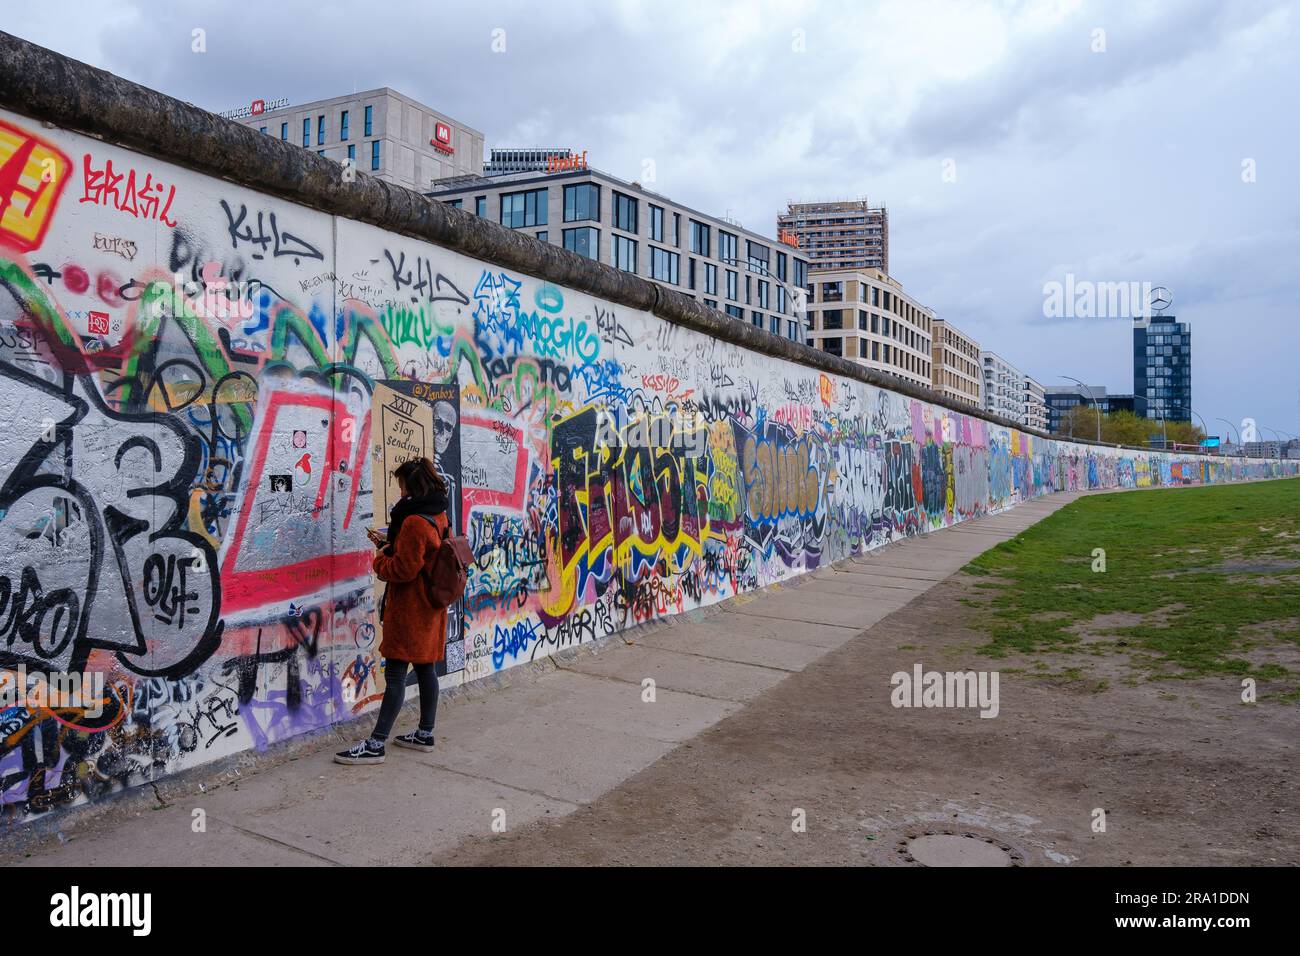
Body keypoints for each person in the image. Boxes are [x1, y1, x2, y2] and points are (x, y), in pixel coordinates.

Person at [335, 457, 450, 765]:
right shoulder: (437, 513)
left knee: (397, 672)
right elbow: (422, 554)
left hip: (411, 609)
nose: (400, 492)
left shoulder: (413, 521)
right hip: (431, 606)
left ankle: (376, 743)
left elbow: (403, 569)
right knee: (426, 668)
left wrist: (381, 556)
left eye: (401, 485)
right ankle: (425, 733)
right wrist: (394, 542)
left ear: (412, 486)